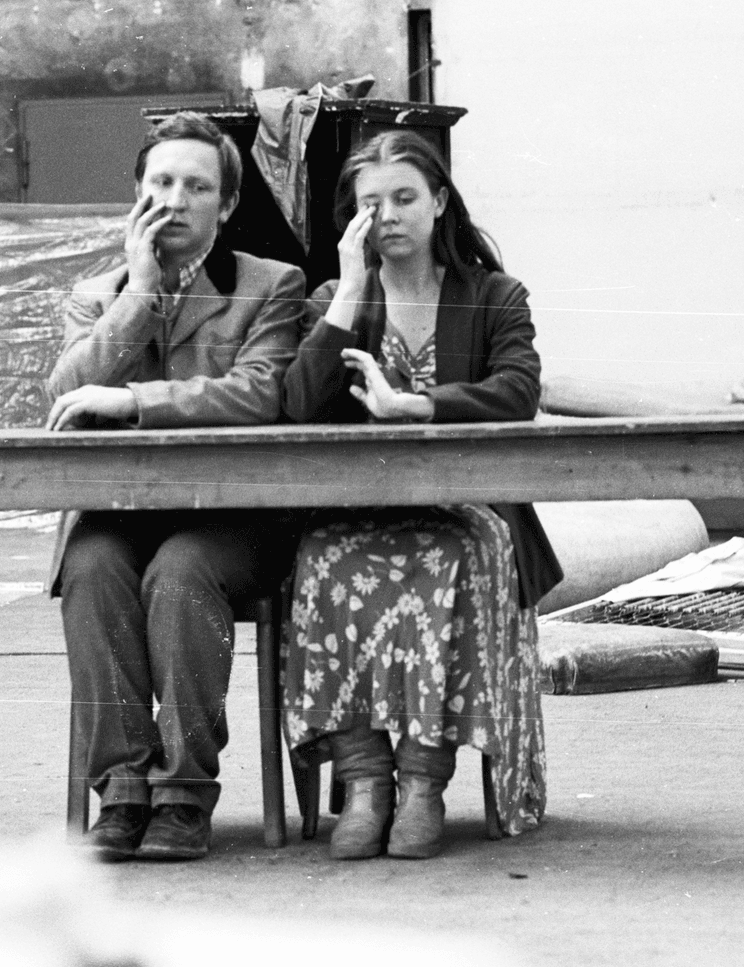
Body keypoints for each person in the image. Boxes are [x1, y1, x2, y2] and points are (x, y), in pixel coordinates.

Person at [280, 130, 563, 860]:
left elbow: (517, 392)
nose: (388, 216)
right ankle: (366, 779)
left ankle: (423, 781)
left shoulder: (497, 296)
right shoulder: (334, 300)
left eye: (404, 197)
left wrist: (419, 405)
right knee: (321, 556)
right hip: (359, 512)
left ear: (438, 202)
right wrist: (345, 288)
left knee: (449, 554)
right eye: (370, 203)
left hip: (469, 512)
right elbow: (299, 406)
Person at [44, 112, 304, 862]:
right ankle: (122, 794)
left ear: (225, 206)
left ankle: (184, 794)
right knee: (89, 566)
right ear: (136, 195)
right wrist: (141, 295)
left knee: (181, 571)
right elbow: (61, 393)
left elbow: (259, 393)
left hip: (230, 520)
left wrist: (134, 402)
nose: (176, 200)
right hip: (121, 515)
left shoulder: (271, 285)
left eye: (197, 186)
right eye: (162, 182)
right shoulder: (95, 294)